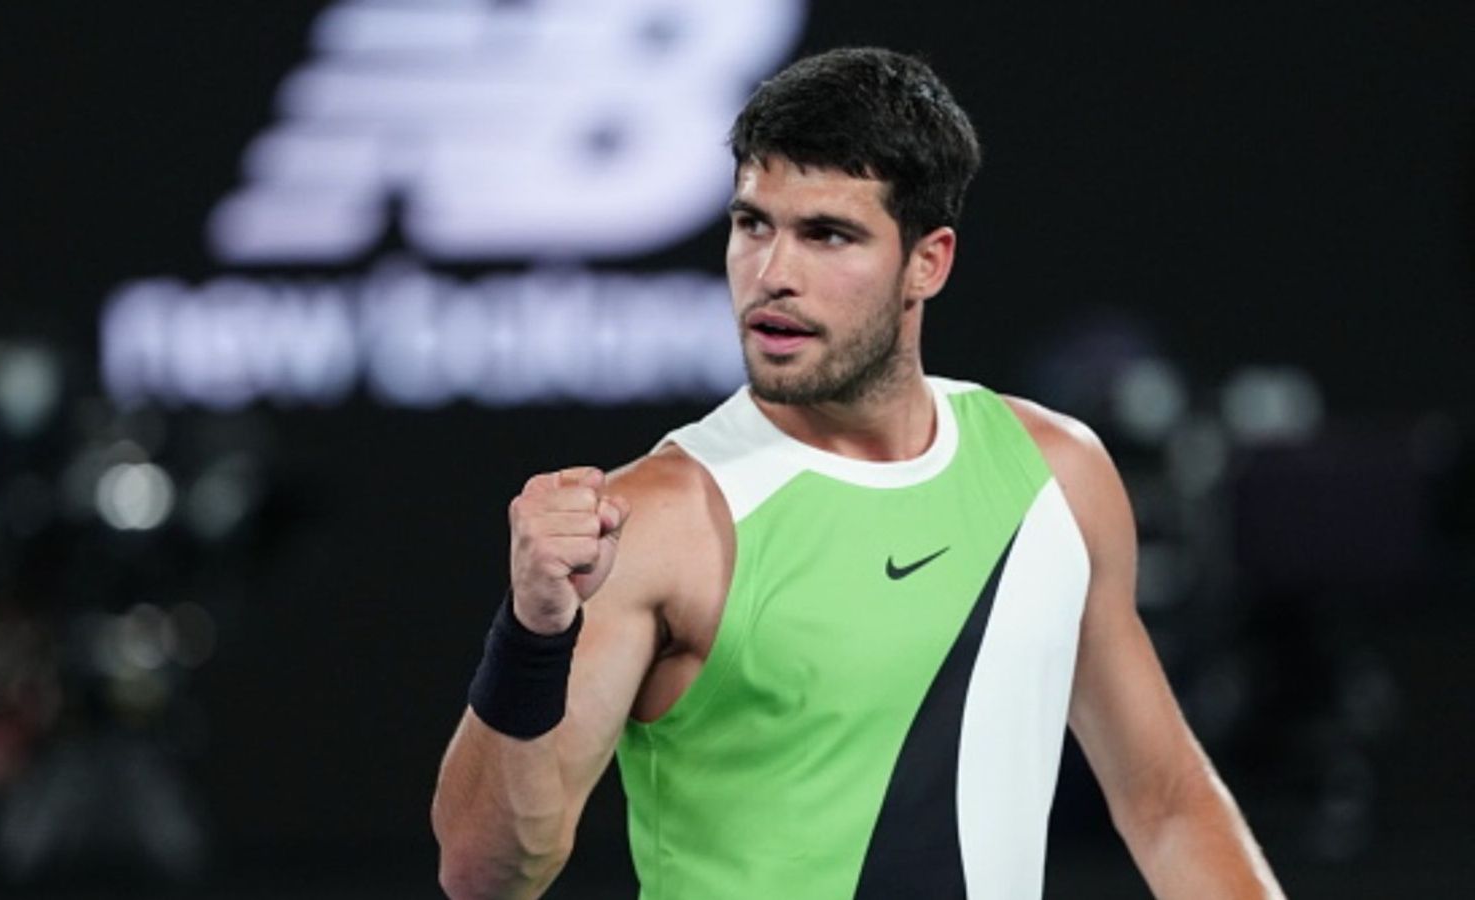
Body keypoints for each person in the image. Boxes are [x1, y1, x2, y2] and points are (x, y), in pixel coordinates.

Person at [432, 47, 1284, 899]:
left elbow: (1167, 805)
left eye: (827, 235)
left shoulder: (1056, 475)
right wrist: (533, 636)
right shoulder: (656, 522)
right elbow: (486, 875)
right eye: (752, 224)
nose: (773, 275)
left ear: (929, 262)